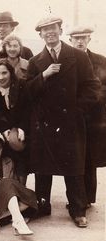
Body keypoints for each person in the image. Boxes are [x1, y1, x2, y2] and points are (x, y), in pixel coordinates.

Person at [26, 16, 99, 228]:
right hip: (45, 124)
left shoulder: (77, 56)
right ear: (40, 34)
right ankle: (42, 204)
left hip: (71, 122)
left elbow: (92, 87)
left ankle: (78, 209)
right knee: (43, 167)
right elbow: (28, 93)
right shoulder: (34, 62)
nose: (50, 33)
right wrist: (43, 76)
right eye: (45, 30)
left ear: (60, 30)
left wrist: (78, 111)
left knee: (74, 167)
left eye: (53, 29)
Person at [67, 26, 106, 206]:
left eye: (83, 38)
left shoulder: (100, 61)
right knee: (74, 159)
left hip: (94, 118)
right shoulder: (68, 60)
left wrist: (92, 99)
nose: (80, 41)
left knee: (90, 158)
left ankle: (88, 198)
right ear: (71, 41)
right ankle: (76, 199)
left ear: (89, 39)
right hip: (74, 117)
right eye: (76, 38)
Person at [0, 58, 30, 184]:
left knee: (19, 152)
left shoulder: (21, 85)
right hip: (0, 129)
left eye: (4, 73)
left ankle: (21, 188)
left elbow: (27, 109)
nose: (1, 77)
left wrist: (22, 128)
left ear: (10, 72)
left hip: (19, 130)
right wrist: (3, 130)